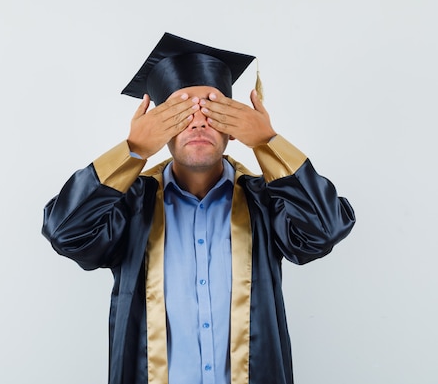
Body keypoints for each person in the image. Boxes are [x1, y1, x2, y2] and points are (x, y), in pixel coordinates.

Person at [42, 33, 355, 384]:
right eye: (180, 110)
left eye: (213, 107)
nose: (198, 120)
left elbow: (325, 229)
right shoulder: (130, 203)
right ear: (159, 127)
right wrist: (132, 150)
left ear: (235, 127)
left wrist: (268, 144)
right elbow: (64, 232)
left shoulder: (264, 200)